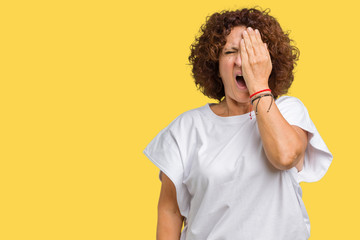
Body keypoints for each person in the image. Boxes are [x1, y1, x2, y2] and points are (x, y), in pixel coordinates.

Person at [143, 7, 333, 240]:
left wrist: (259, 87)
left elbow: (285, 156)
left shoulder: (288, 111)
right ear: (216, 64)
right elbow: (170, 210)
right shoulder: (186, 128)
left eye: (252, 52)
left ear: (268, 61)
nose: (242, 61)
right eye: (231, 51)